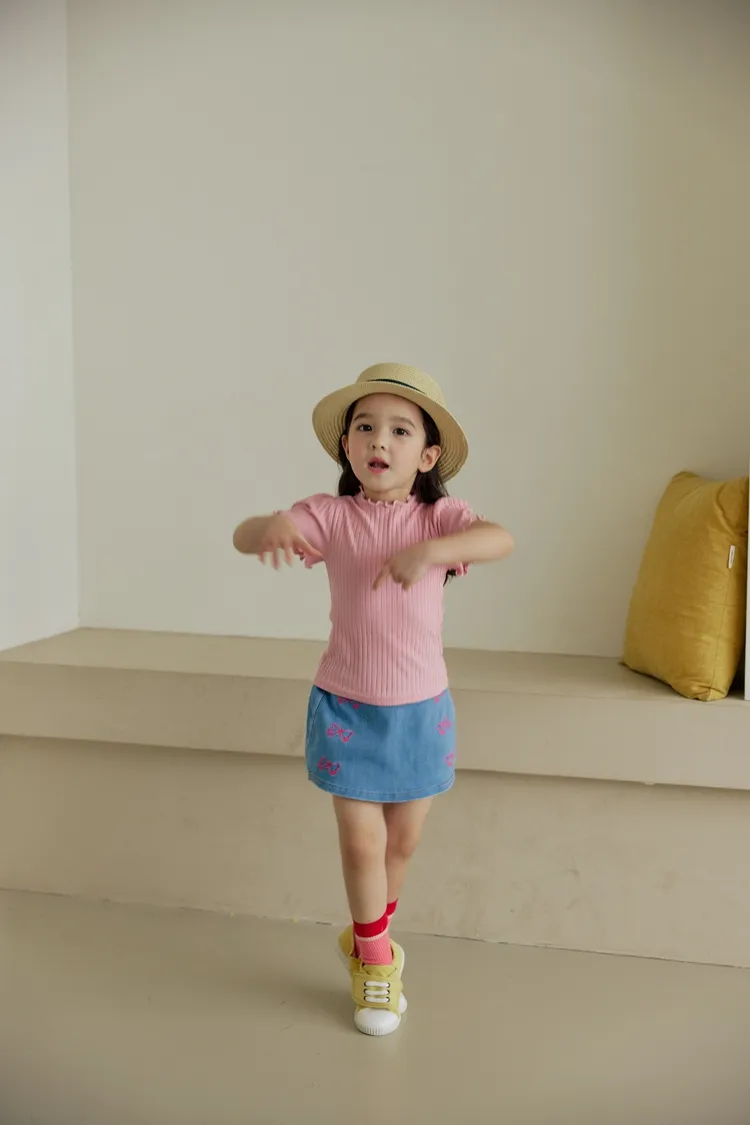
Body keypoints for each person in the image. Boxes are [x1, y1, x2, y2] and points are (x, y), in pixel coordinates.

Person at [233, 363, 514, 1037]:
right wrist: (270, 524)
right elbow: (245, 535)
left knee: (401, 845)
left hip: (421, 711)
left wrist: (434, 550)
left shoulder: (441, 517)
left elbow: (500, 539)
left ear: (428, 456)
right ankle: (378, 962)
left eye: (399, 429)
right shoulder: (329, 516)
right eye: (364, 427)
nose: (378, 440)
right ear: (347, 447)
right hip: (347, 707)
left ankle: (365, 936)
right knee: (362, 846)